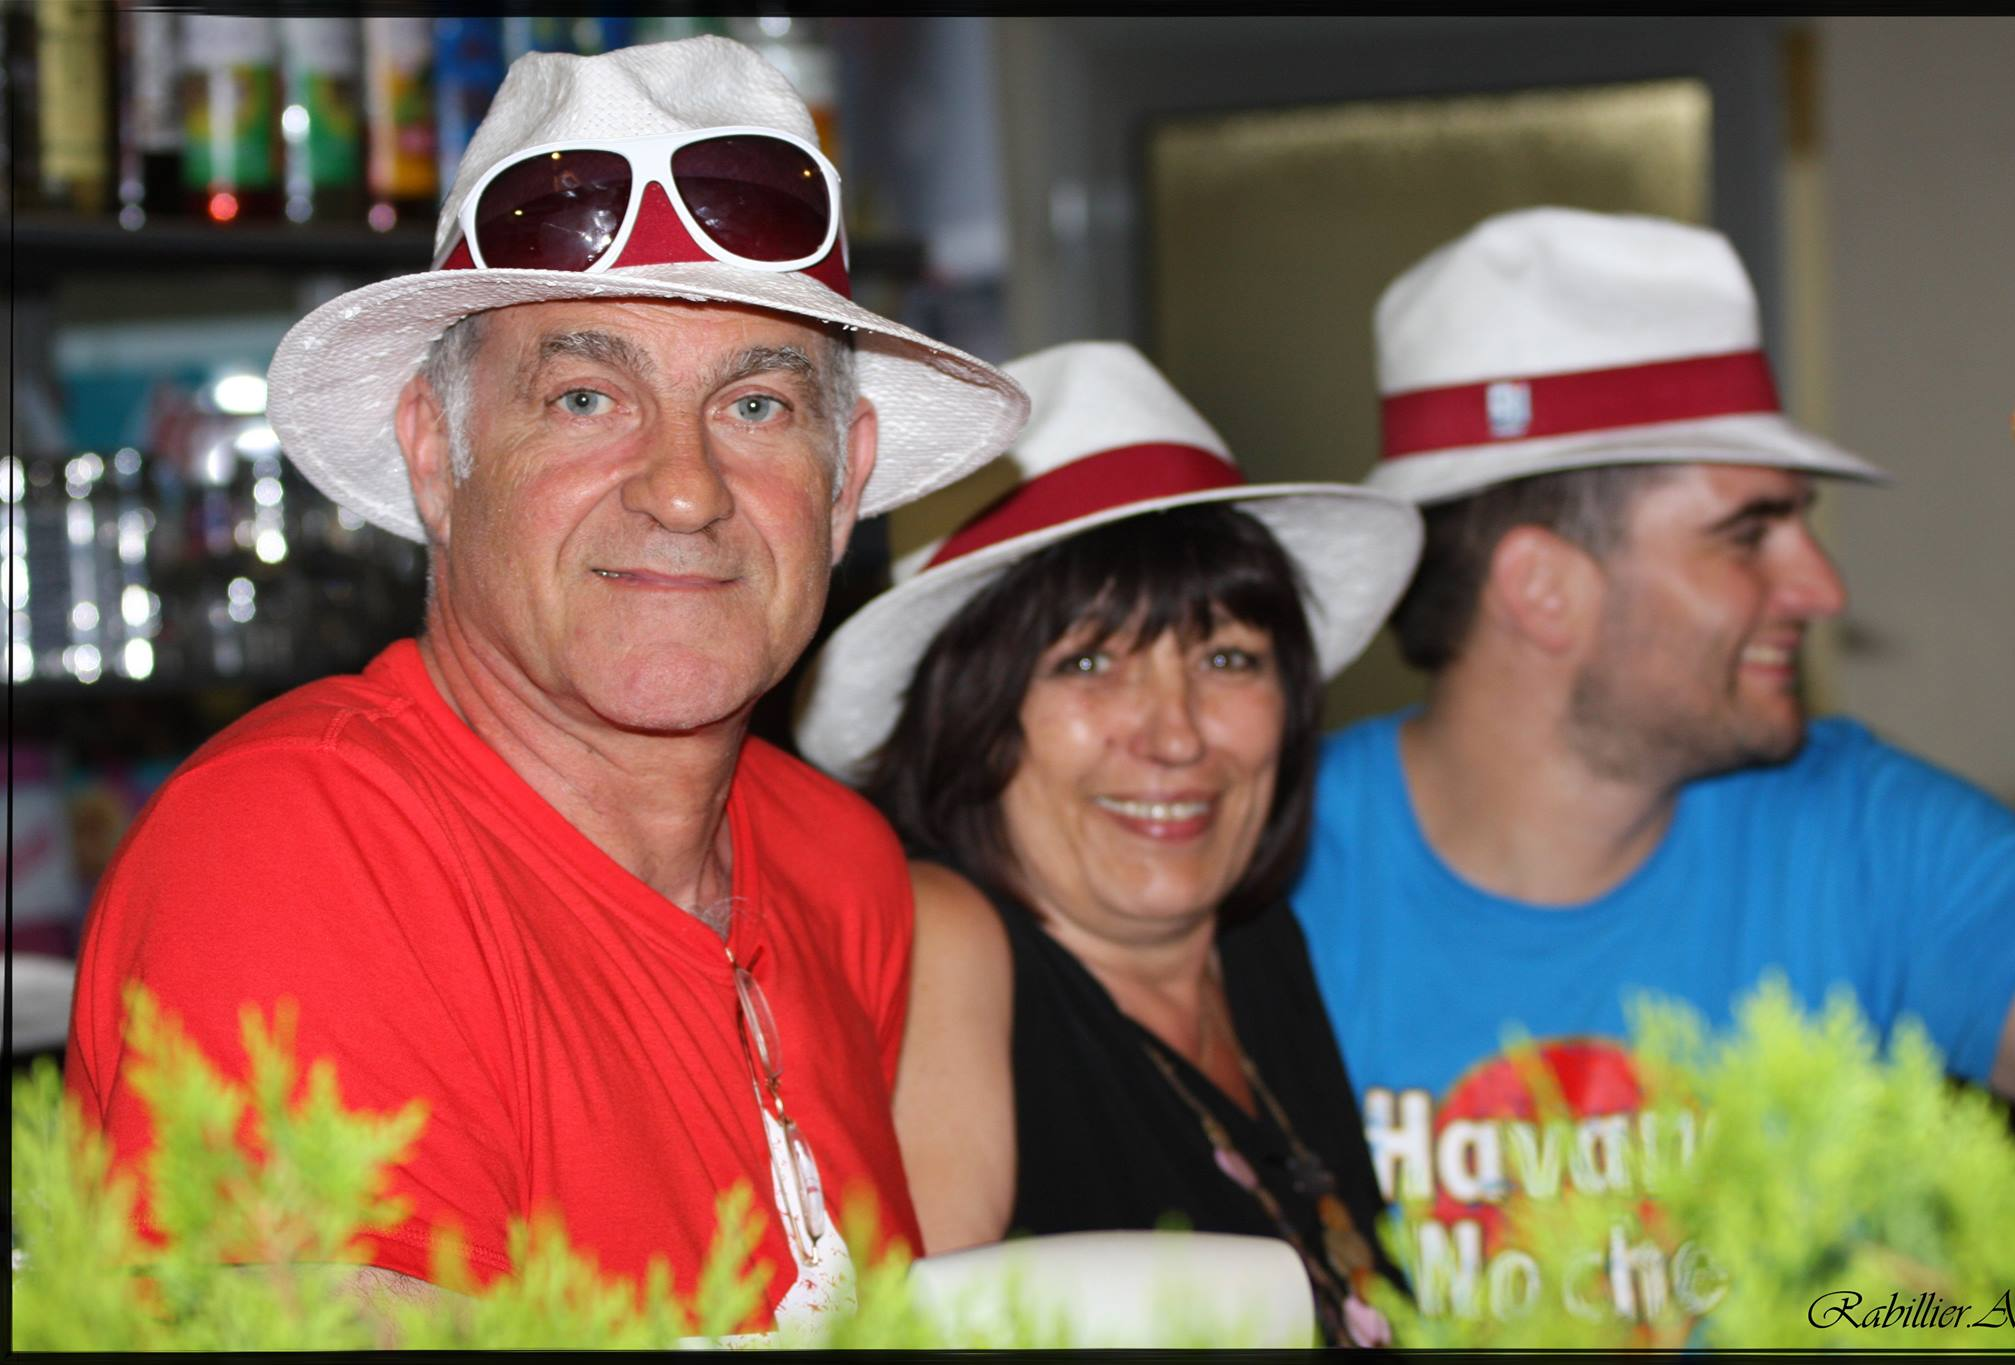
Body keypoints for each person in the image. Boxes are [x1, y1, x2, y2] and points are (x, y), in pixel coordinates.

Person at [63, 36, 1029, 1334]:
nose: (683, 489)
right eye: (584, 397)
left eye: (757, 406)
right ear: (435, 453)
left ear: (844, 481)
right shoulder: (303, 846)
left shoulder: (842, 871)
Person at [1290, 207, 2015, 1318]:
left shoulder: (1868, 839)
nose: (1822, 588)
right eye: (1748, 534)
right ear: (1541, 589)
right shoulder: (1262, 873)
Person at [794, 341, 1425, 1347]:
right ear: (972, 716)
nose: (1176, 735)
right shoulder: (949, 942)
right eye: (1089, 663)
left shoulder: (1257, 945)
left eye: (1228, 658)